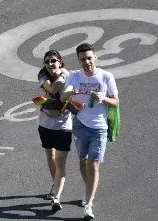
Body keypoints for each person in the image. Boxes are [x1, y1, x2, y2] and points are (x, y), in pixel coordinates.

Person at [63, 43, 120, 221]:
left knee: (93, 164)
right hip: (80, 126)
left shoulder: (106, 76)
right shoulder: (74, 77)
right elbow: (63, 97)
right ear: (79, 61)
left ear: (95, 57)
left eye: (89, 58)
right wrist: (70, 92)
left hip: (99, 128)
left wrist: (103, 98)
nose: (86, 62)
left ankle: (88, 204)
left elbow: (116, 101)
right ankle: (90, 190)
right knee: (83, 162)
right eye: (82, 59)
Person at [36, 50, 72, 213]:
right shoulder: (43, 75)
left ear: (60, 61)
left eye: (53, 61)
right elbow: (51, 88)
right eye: (47, 62)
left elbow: (56, 87)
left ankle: (57, 191)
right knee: (49, 155)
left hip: (63, 123)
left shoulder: (68, 75)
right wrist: (59, 75)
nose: (50, 64)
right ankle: (55, 184)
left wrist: (62, 75)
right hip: (45, 121)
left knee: (60, 159)